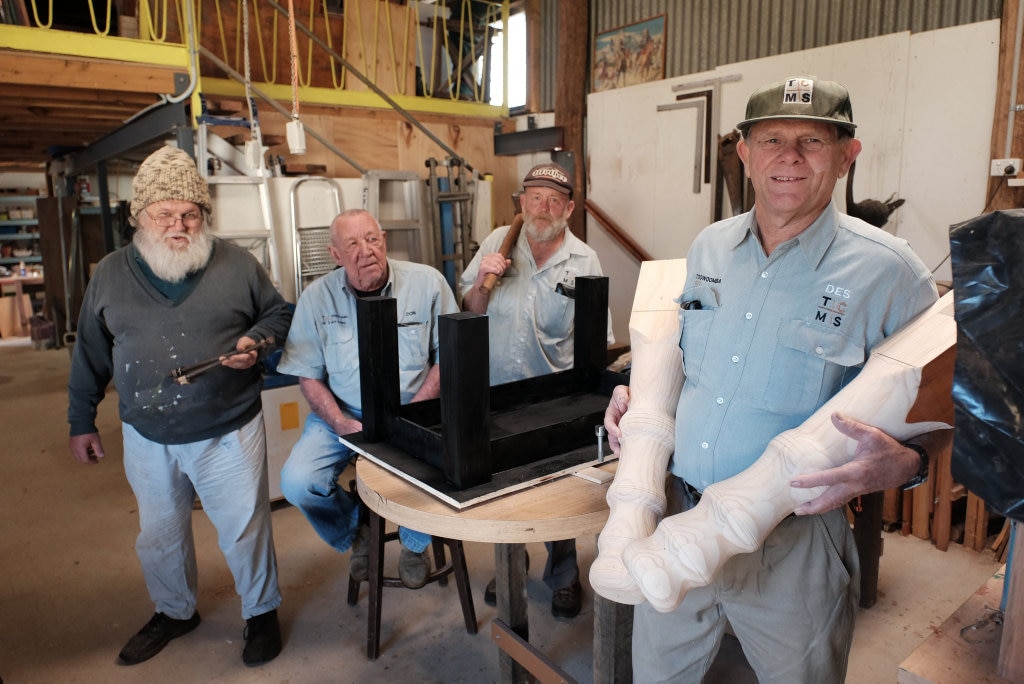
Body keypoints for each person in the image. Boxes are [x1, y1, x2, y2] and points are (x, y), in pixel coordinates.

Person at [603, 77, 946, 682]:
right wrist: (635, 393)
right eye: (771, 140)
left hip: (796, 547)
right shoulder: (708, 248)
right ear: (744, 152)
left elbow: (940, 405)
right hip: (677, 521)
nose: (789, 157)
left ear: (847, 156)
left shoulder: (890, 272)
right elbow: (686, 357)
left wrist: (908, 466)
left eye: (813, 141)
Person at [67, 145, 292, 666]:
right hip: (147, 433)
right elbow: (90, 353)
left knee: (244, 529)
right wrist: (82, 420)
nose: (178, 224)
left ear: (204, 216)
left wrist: (256, 342)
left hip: (228, 427)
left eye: (190, 214)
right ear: (139, 218)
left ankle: (260, 612)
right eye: (164, 214)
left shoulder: (238, 264)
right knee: (160, 534)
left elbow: (279, 315)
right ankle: (174, 611)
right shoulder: (109, 274)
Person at [461, 161, 614, 619]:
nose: (543, 207)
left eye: (553, 200)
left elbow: (596, 345)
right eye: (534, 196)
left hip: (553, 400)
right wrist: (483, 281)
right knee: (501, 492)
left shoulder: (584, 260)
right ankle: (510, 564)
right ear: (521, 202)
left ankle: (563, 576)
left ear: (568, 208)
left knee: (554, 492)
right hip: (497, 394)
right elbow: (470, 309)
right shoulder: (496, 244)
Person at [278, 209, 459, 589]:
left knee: (448, 465)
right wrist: (339, 422)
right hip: (344, 413)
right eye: (352, 244)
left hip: (417, 408)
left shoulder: (427, 283)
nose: (366, 251)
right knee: (297, 481)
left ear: (385, 240)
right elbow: (307, 376)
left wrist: (418, 410)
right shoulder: (316, 298)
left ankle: (414, 542)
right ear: (335, 255)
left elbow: (450, 357)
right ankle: (355, 530)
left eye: (372, 239)